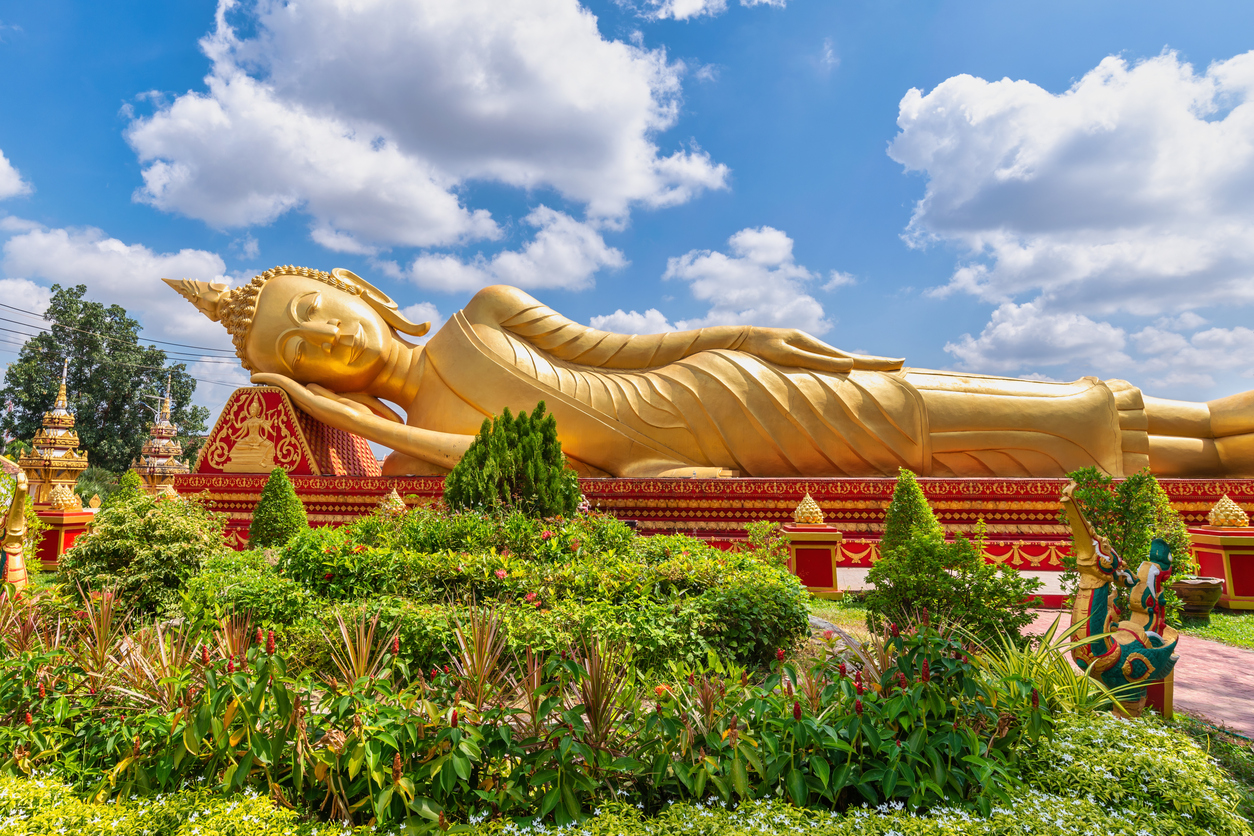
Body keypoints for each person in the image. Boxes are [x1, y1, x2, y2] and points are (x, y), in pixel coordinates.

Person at [166, 266, 1254, 479]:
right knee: (923, 453)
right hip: (676, 461)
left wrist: (753, 334)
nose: (323, 340)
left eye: (317, 311)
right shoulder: (419, 452)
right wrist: (308, 409)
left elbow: (624, 350)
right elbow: (521, 465)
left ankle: (1208, 419)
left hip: (714, 392)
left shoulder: (481, 315)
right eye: (297, 354)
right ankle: (1212, 462)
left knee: (912, 400)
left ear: (356, 289)